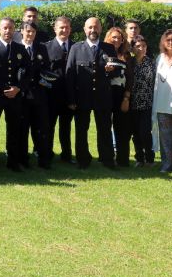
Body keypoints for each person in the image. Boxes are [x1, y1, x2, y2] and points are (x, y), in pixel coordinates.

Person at [66, 17, 118, 170]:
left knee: (104, 129)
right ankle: (83, 159)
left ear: (100, 29)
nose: (93, 30)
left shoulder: (109, 48)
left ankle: (107, 159)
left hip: (102, 97)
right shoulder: (76, 48)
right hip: (82, 97)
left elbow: (115, 75)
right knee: (81, 130)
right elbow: (70, 76)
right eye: (90, 27)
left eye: (95, 27)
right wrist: (71, 99)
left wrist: (111, 71)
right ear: (84, 29)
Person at [0, 18, 30, 172]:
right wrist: (6, 88)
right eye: (5, 28)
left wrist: (18, 88)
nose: (8, 31)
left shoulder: (20, 49)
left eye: (11, 28)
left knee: (14, 130)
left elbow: (27, 72)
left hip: (15, 96)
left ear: (15, 30)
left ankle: (13, 162)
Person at [20, 21, 52, 169]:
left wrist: (44, 83)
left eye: (33, 32)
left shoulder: (41, 48)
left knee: (40, 129)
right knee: (22, 129)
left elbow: (46, 69)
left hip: (39, 96)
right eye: (27, 31)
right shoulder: (17, 48)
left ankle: (43, 159)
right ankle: (23, 159)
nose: (30, 34)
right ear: (22, 32)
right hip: (21, 96)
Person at [152, 29, 172, 173]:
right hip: (161, 104)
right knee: (165, 137)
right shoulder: (160, 58)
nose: (171, 42)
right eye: (168, 40)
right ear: (163, 42)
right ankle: (167, 164)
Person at [44, 16, 75, 163]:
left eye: (67, 27)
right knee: (49, 127)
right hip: (50, 96)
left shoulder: (76, 47)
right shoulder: (46, 47)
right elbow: (42, 73)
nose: (64, 30)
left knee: (66, 128)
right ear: (55, 29)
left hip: (69, 96)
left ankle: (67, 155)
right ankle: (47, 154)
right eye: (61, 27)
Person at [104, 27, 135, 167]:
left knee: (122, 128)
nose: (116, 40)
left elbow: (130, 78)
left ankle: (123, 159)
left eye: (119, 37)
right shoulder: (102, 53)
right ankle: (107, 158)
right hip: (106, 94)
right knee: (105, 127)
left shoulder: (127, 56)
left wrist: (126, 98)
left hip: (121, 95)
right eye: (113, 37)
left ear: (123, 40)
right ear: (108, 38)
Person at [129, 35, 156, 167]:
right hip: (132, 103)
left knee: (145, 132)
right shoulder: (129, 62)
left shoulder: (152, 63)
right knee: (135, 133)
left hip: (147, 103)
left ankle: (150, 158)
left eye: (144, 46)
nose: (141, 49)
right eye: (138, 46)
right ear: (132, 48)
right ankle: (139, 158)